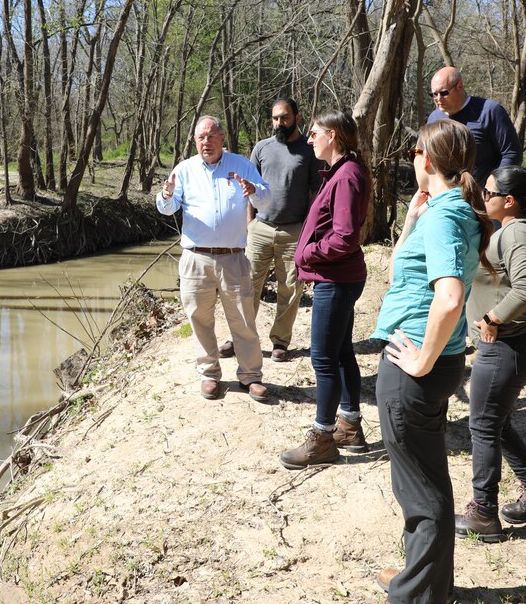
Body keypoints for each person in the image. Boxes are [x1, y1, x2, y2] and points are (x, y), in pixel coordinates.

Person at [371, 119, 494, 603]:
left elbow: (449, 297)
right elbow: (400, 269)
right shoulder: (446, 211)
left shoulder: (445, 218)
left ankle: (419, 595)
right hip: (430, 362)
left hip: (415, 367)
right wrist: (409, 222)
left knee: (423, 494)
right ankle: (423, 581)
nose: (411, 161)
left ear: (427, 158)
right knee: (425, 482)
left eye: (413, 153)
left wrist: (421, 359)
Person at [455, 166, 526, 543]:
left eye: (488, 193)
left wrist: (492, 317)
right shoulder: (512, 229)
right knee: (495, 423)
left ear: (509, 200)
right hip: (509, 346)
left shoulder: (518, 232)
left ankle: (483, 512)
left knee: (483, 426)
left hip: (508, 347)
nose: (485, 199)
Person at [157, 115, 273, 402]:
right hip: (196, 258)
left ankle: (251, 376)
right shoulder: (184, 170)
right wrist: (166, 194)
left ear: (222, 138)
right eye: (200, 137)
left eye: (211, 136)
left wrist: (253, 190)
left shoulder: (242, 165)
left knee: (244, 318)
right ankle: (209, 374)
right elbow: (168, 208)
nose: (206, 142)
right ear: (195, 141)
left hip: (234, 258)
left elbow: (266, 197)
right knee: (199, 319)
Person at [279, 110, 371, 468]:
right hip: (339, 276)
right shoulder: (342, 171)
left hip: (335, 279)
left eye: (315, 133)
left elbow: (345, 237)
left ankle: (322, 438)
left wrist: (309, 254)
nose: (309, 139)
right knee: (341, 350)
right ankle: (350, 426)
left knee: (323, 358)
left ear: (332, 136)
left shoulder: (346, 175)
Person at [221, 97, 321, 363]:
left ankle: (280, 341)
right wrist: (249, 224)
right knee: (247, 284)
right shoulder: (262, 148)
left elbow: (315, 192)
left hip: (294, 230)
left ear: (297, 118)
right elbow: (248, 189)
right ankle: (239, 336)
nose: (280, 123)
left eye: (285, 117)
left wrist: (308, 228)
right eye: (276, 118)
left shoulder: (309, 150)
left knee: (290, 287)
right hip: (260, 228)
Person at [427, 66, 523, 186]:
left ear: (460, 86)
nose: (438, 99)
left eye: (444, 93)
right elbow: (426, 157)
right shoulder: (433, 119)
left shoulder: (490, 111)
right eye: (434, 94)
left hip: (483, 197)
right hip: (447, 197)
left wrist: (493, 188)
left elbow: (511, 153)